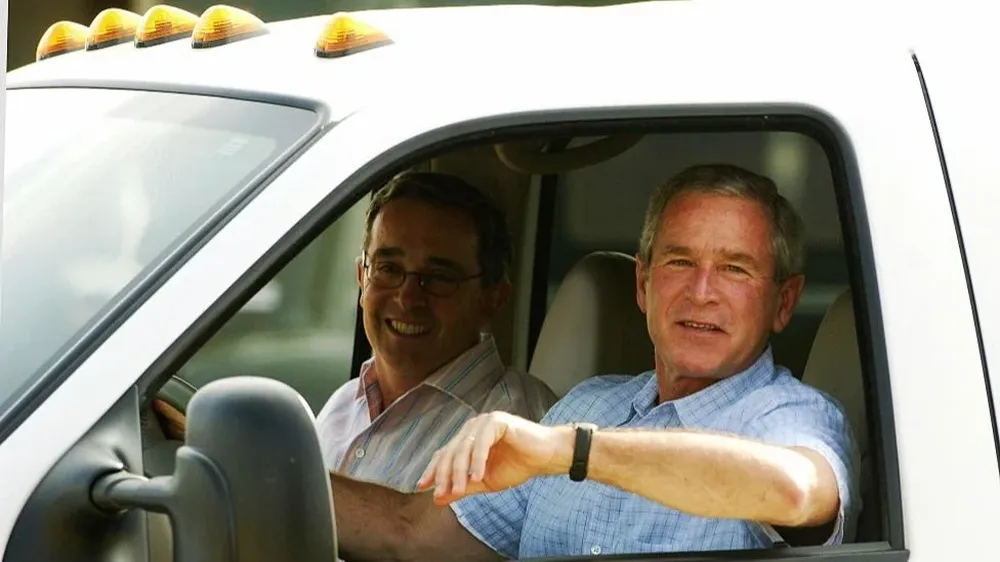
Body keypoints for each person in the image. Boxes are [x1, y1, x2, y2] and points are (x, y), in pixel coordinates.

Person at [329, 163, 860, 561]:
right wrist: (259, 476)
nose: (702, 293)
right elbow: (409, 535)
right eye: (680, 262)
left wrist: (572, 450)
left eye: (735, 269)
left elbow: (795, 491)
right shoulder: (587, 403)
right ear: (643, 284)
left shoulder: (791, 415)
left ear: (784, 302)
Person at [313, 170, 557, 492]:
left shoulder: (515, 424)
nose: (408, 297)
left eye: (440, 277)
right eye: (388, 269)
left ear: (492, 299)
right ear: (362, 277)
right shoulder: (341, 407)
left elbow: (422, 538)